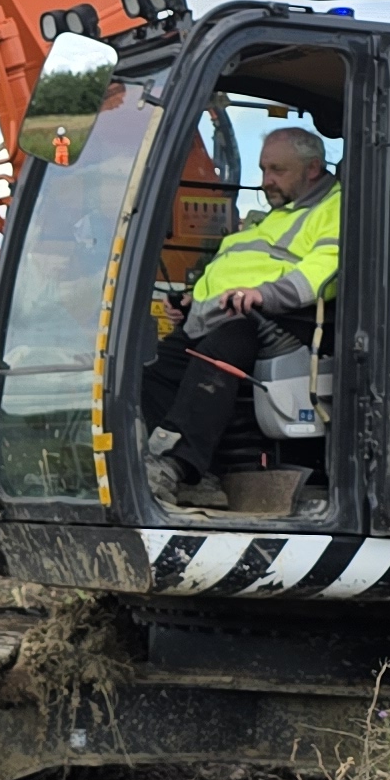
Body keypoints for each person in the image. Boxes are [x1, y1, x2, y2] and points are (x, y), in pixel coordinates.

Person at [145, 125, 339, 514]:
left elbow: (325, 267)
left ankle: (176, 465)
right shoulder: (275, 215)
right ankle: (185, 469)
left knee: (215, 358)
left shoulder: (336, 207)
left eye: (277, 170)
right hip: (229, 311)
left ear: (313, 168)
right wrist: (192, 299)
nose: (266, 181)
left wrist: (264, 295)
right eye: (263, 169)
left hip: (285, 317)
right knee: (157, 370)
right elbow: (232, 266)